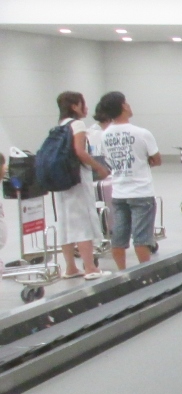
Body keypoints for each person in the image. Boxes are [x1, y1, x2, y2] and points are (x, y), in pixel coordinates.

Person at [51, 92, 111, 279]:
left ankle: (70, 267)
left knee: (65, 223)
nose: (86, 108)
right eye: (82, 104)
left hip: (62, 181)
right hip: (77, 180)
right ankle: (90, 268)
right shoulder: (77, 125)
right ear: (75, 106)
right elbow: (80, 151)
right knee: (83, 221)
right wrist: (99, 167)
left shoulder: (59, 126)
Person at [99, 91, 161, 270]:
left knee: (118, 237)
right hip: (141, 192)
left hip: (119, 192)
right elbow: (157, 159)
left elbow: (108, 161)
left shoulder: (105, 135)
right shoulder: (142, 133)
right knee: (141, 238)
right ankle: (145, 272)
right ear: (123, 106)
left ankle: (122, 272)